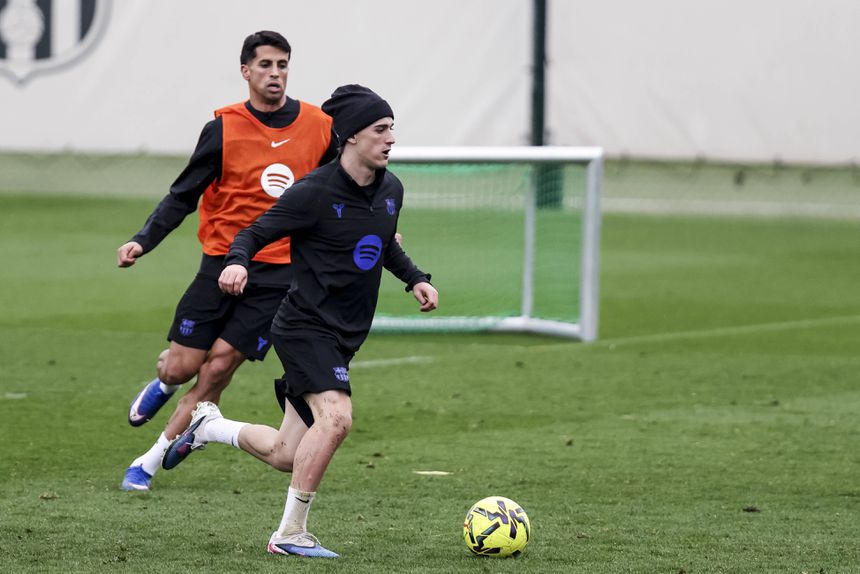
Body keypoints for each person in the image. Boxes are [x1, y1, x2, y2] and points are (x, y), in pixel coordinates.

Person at [160, 84, 438, 558]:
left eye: (393, 128)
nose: (391, 137)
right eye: (380, 128)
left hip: (345, 335)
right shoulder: (313, 192)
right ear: (350, 136)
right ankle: (289, 535)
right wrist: (237, 262)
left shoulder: (392, 188)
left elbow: (383, 240)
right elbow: (255, 231)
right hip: (304, 326)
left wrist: (414, 278)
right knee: (336, 419)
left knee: (286, 454)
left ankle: (209, 426)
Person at [116, 30, 337, 492]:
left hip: (279, 273)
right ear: (246, 71)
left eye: (282, 65)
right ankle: (165, 384)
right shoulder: (223, 127)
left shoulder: (318, 125)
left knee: (218, 368)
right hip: (219, 264)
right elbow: (183, 195)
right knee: (180, 367)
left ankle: (149, 460)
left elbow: (344, 186)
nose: (275, 74)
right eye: (265, 66)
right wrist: (142, 241)